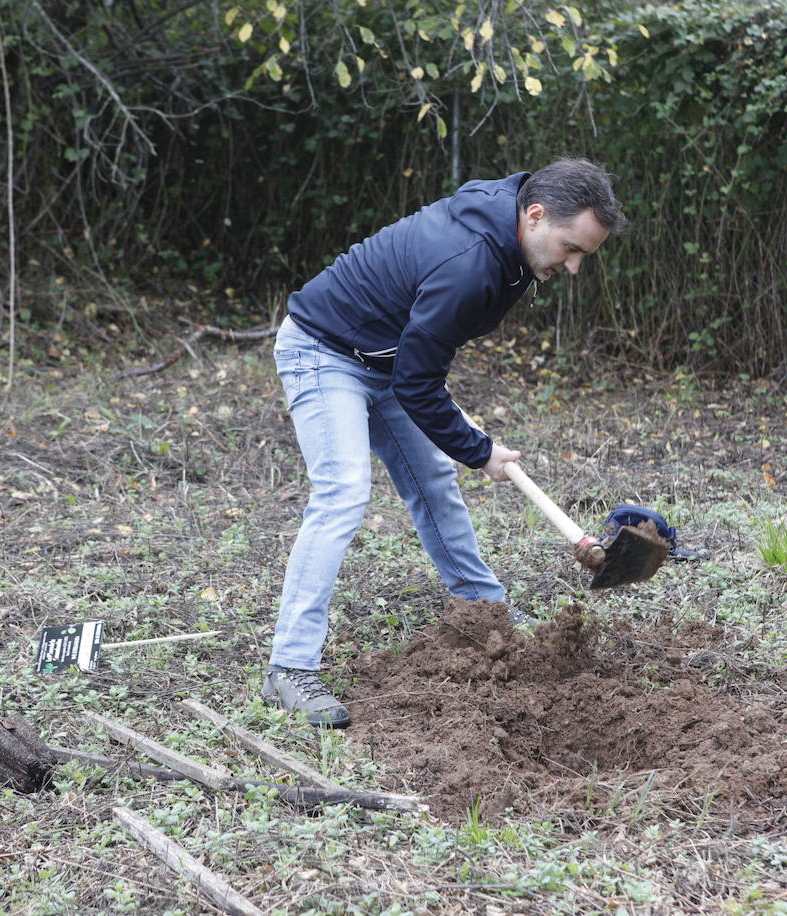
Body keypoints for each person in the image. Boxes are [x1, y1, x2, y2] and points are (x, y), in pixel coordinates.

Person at [263, 158, 627, 728]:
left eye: (585, 254)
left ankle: (485, 612)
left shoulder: (513, 223)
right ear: (534, 216)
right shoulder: (471, 263)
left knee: (433, 478)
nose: (575, 266)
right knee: (343, 493)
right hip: (324, 349)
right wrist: (478, 450)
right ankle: (290, 667)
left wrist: (472, 446)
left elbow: (417, 367)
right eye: (571, 247)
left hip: (388, 355)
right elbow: (417, 381)